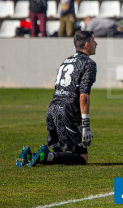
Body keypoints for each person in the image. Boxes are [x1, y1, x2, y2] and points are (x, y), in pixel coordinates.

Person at [17, 31, 98, 167]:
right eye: (94, 41)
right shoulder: (89, 63)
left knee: (61, 155)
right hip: (69, 110)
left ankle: (30, 155)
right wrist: (85, 124)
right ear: (87, 44)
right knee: (82, 159)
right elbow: (83, 95)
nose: (96, 44)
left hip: (53, 108)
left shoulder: (65, 61)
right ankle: (45, 155)